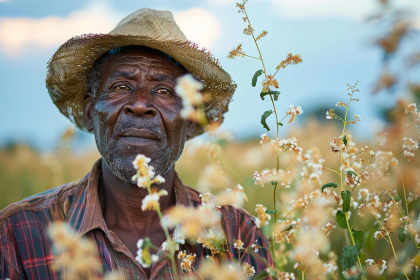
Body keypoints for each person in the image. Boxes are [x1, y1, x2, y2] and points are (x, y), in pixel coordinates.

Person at [0, 8, 270, 279]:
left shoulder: (237, 234)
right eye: (120, 87)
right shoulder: (18, 234)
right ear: (90, 111)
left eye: (163, 91)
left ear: (190, 120)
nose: (140, 104)